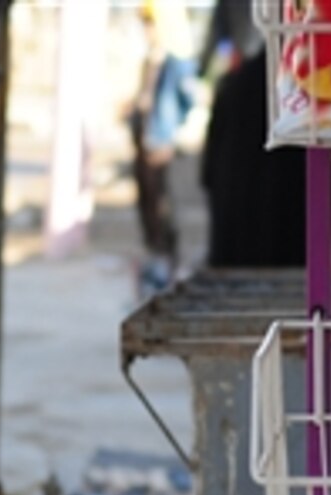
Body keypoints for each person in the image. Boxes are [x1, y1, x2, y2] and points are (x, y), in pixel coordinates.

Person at [201, 48, 307, 269]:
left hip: (235, 238)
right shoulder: (306, 95)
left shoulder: (232, 86)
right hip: (292, 238)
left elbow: (207, 172)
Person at [129, 0, 196, 293]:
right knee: (148, 205)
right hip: (145, 143)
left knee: (162, 206)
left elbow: (186, 99)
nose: (147, 31)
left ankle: (169, 264)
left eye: (150, 24)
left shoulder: (173, 62)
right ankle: (156, 260)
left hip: (160, 143)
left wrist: (171, 129)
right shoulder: (150, 60)